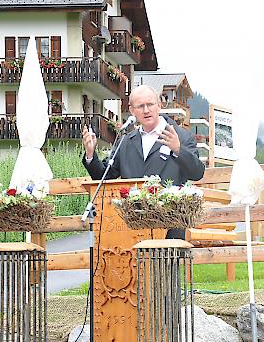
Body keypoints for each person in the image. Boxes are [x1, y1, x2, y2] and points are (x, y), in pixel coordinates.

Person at [82, 85, 205, 237]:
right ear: (132, 110)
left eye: (150, 104)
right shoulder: (126, 141)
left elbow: (197, 173)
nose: (146, 110)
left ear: (159, 105)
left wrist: (178, 150)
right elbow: (104, 176)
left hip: (170, 227)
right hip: (131, 229)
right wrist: (90, 154)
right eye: (140, 106)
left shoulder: (182, 137)